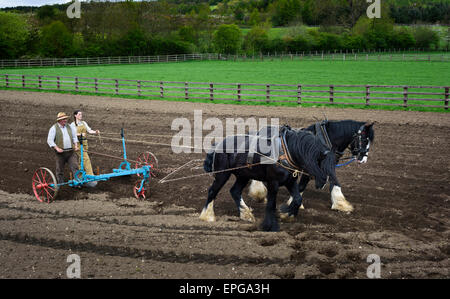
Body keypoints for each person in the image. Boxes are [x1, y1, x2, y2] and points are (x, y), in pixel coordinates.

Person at [47, 112, 79, 184]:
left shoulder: (70, 127)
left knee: (75, 167)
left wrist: (76, 146)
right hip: (60, 153)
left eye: (66, 119)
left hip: (71, 152)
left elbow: (74, 137)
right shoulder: (54, 128)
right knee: (60, 169)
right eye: (64, 119)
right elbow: (50, 140)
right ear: (59, 120)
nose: (65, 120)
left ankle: (78, 182)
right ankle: (61, 184)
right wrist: (57, 148)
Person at [70, 110, 99, 180]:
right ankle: (90, 175)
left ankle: (79, 176)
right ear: (75, 115)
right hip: (77, 144)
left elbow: (89, 130)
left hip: (85, 144)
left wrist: (95, 132)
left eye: (81, 114)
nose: (81, 116)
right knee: (86, 158)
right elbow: (72, 134)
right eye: (79, 114)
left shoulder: (84, 123)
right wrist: (79, 134)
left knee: (81, 159)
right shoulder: (72, 125)